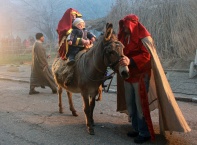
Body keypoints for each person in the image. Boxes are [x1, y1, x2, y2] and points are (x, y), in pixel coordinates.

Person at [117, 14, 191, 144]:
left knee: (140, 106)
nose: (124, 27)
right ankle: (136, 128)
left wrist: (131, 60)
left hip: (140, 76)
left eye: (126, 25)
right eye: (123, 25)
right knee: (130, 104)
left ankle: (144, 132)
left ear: (132, 24)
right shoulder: (124, 37)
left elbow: (147, 56)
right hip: (128, 77)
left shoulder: (144, 38)